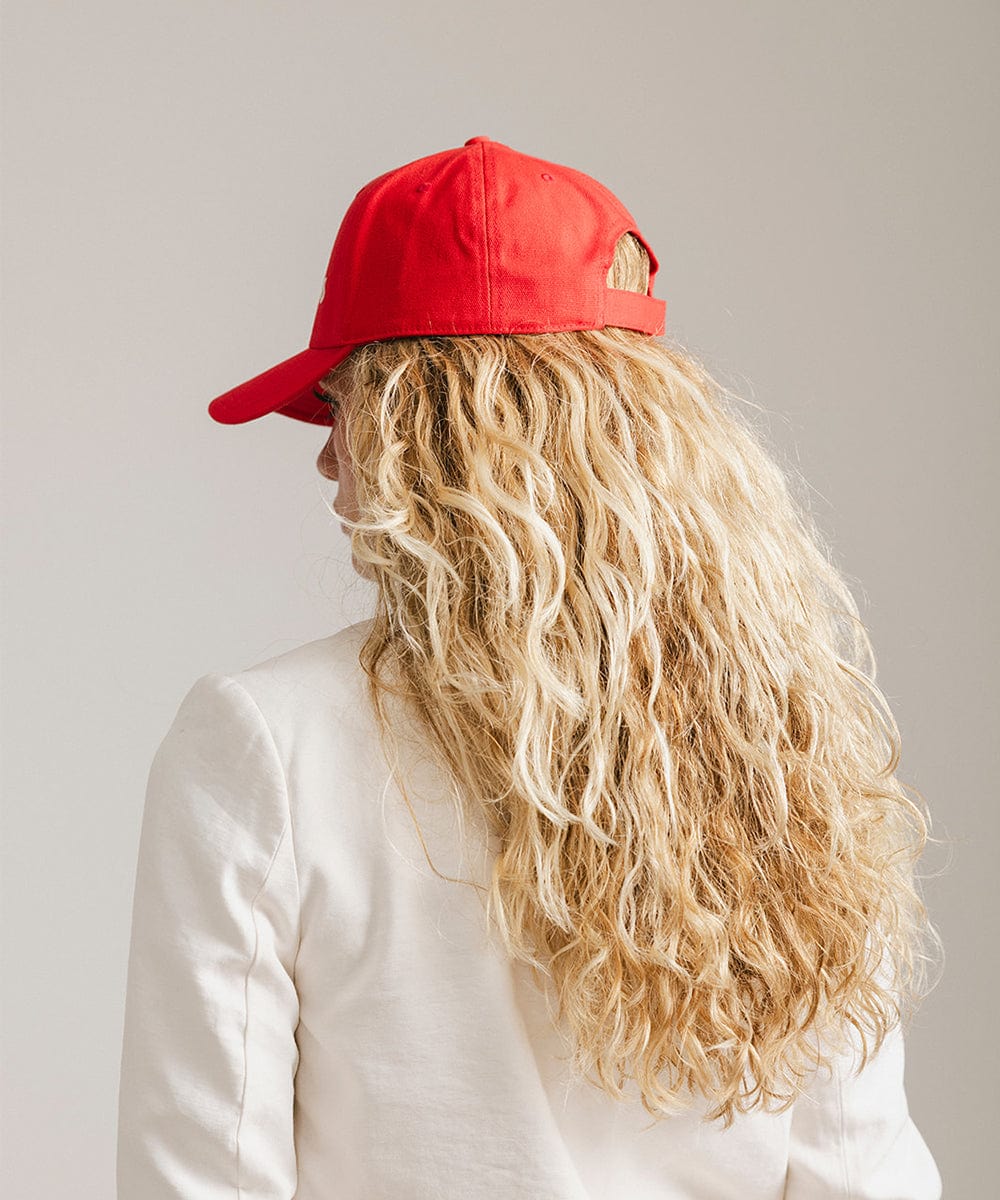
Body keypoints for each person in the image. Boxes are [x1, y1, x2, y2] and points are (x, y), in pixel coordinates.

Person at [116, 136, 944, 1199]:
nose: (325, 453)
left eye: (344, 400)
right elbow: (862, 1181)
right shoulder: (784, 752)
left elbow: (201, 1178)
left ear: (434, 427)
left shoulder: (261, 746)